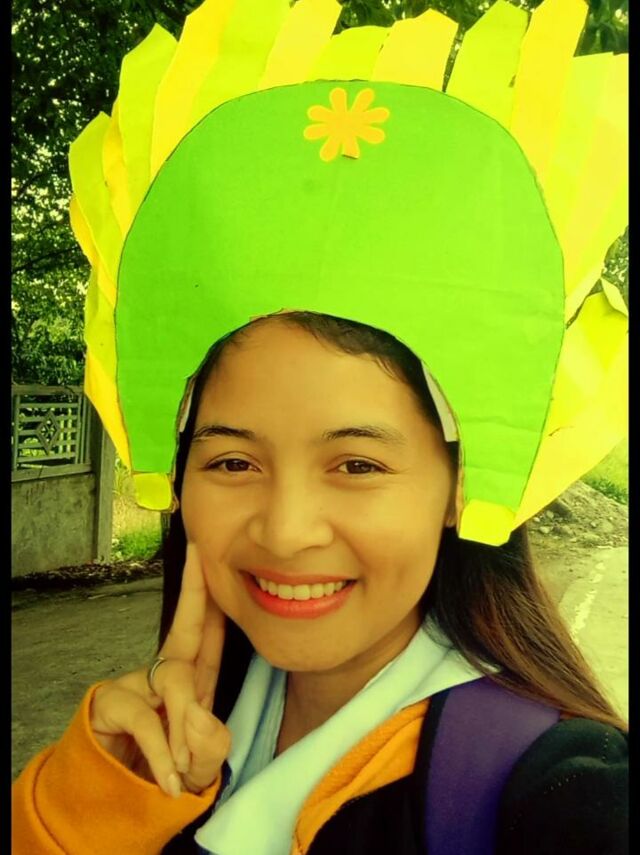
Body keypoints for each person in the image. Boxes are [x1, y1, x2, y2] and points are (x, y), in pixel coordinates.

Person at [12, 0, 628, 853]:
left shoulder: (558, 790)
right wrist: (99, 803)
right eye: (232, 461)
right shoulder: (158, 743)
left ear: (461, 484)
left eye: (357, 464)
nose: (286, 529)